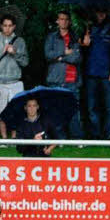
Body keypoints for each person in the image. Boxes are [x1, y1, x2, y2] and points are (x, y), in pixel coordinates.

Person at [0, 15, 28, 140]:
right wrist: (2, 51)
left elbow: (25, 62)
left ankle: (14, 137)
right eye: (5, 25)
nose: (7, 28)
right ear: (1, 26)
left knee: (17, 110)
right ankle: (4, 138)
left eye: (10, 26)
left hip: (15, 81)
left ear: (14, 26)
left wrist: (15, 53)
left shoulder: (20, 41)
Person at [82, 9, 110, 139]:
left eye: (103, 10)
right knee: (92, 107)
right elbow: (80, 51)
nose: (101, 13)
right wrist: (84, 44)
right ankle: (95, 136)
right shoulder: (88, 27)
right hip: (91, 73)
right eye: (98, 11)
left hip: (107, 74)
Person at [44, 10, 82, 139]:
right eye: (61, 19)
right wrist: (65, 52)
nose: (63, 21)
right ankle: (59, 138)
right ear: (57, 21)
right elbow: (48, 55)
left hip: (72, 80)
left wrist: (61, 57)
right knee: (55, 110)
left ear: (69, 21)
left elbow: (77, 58)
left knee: (73, 111)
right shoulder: (51, 37)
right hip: (56, 79)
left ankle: (77, 139)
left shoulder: (75, 37)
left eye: (66, 19)